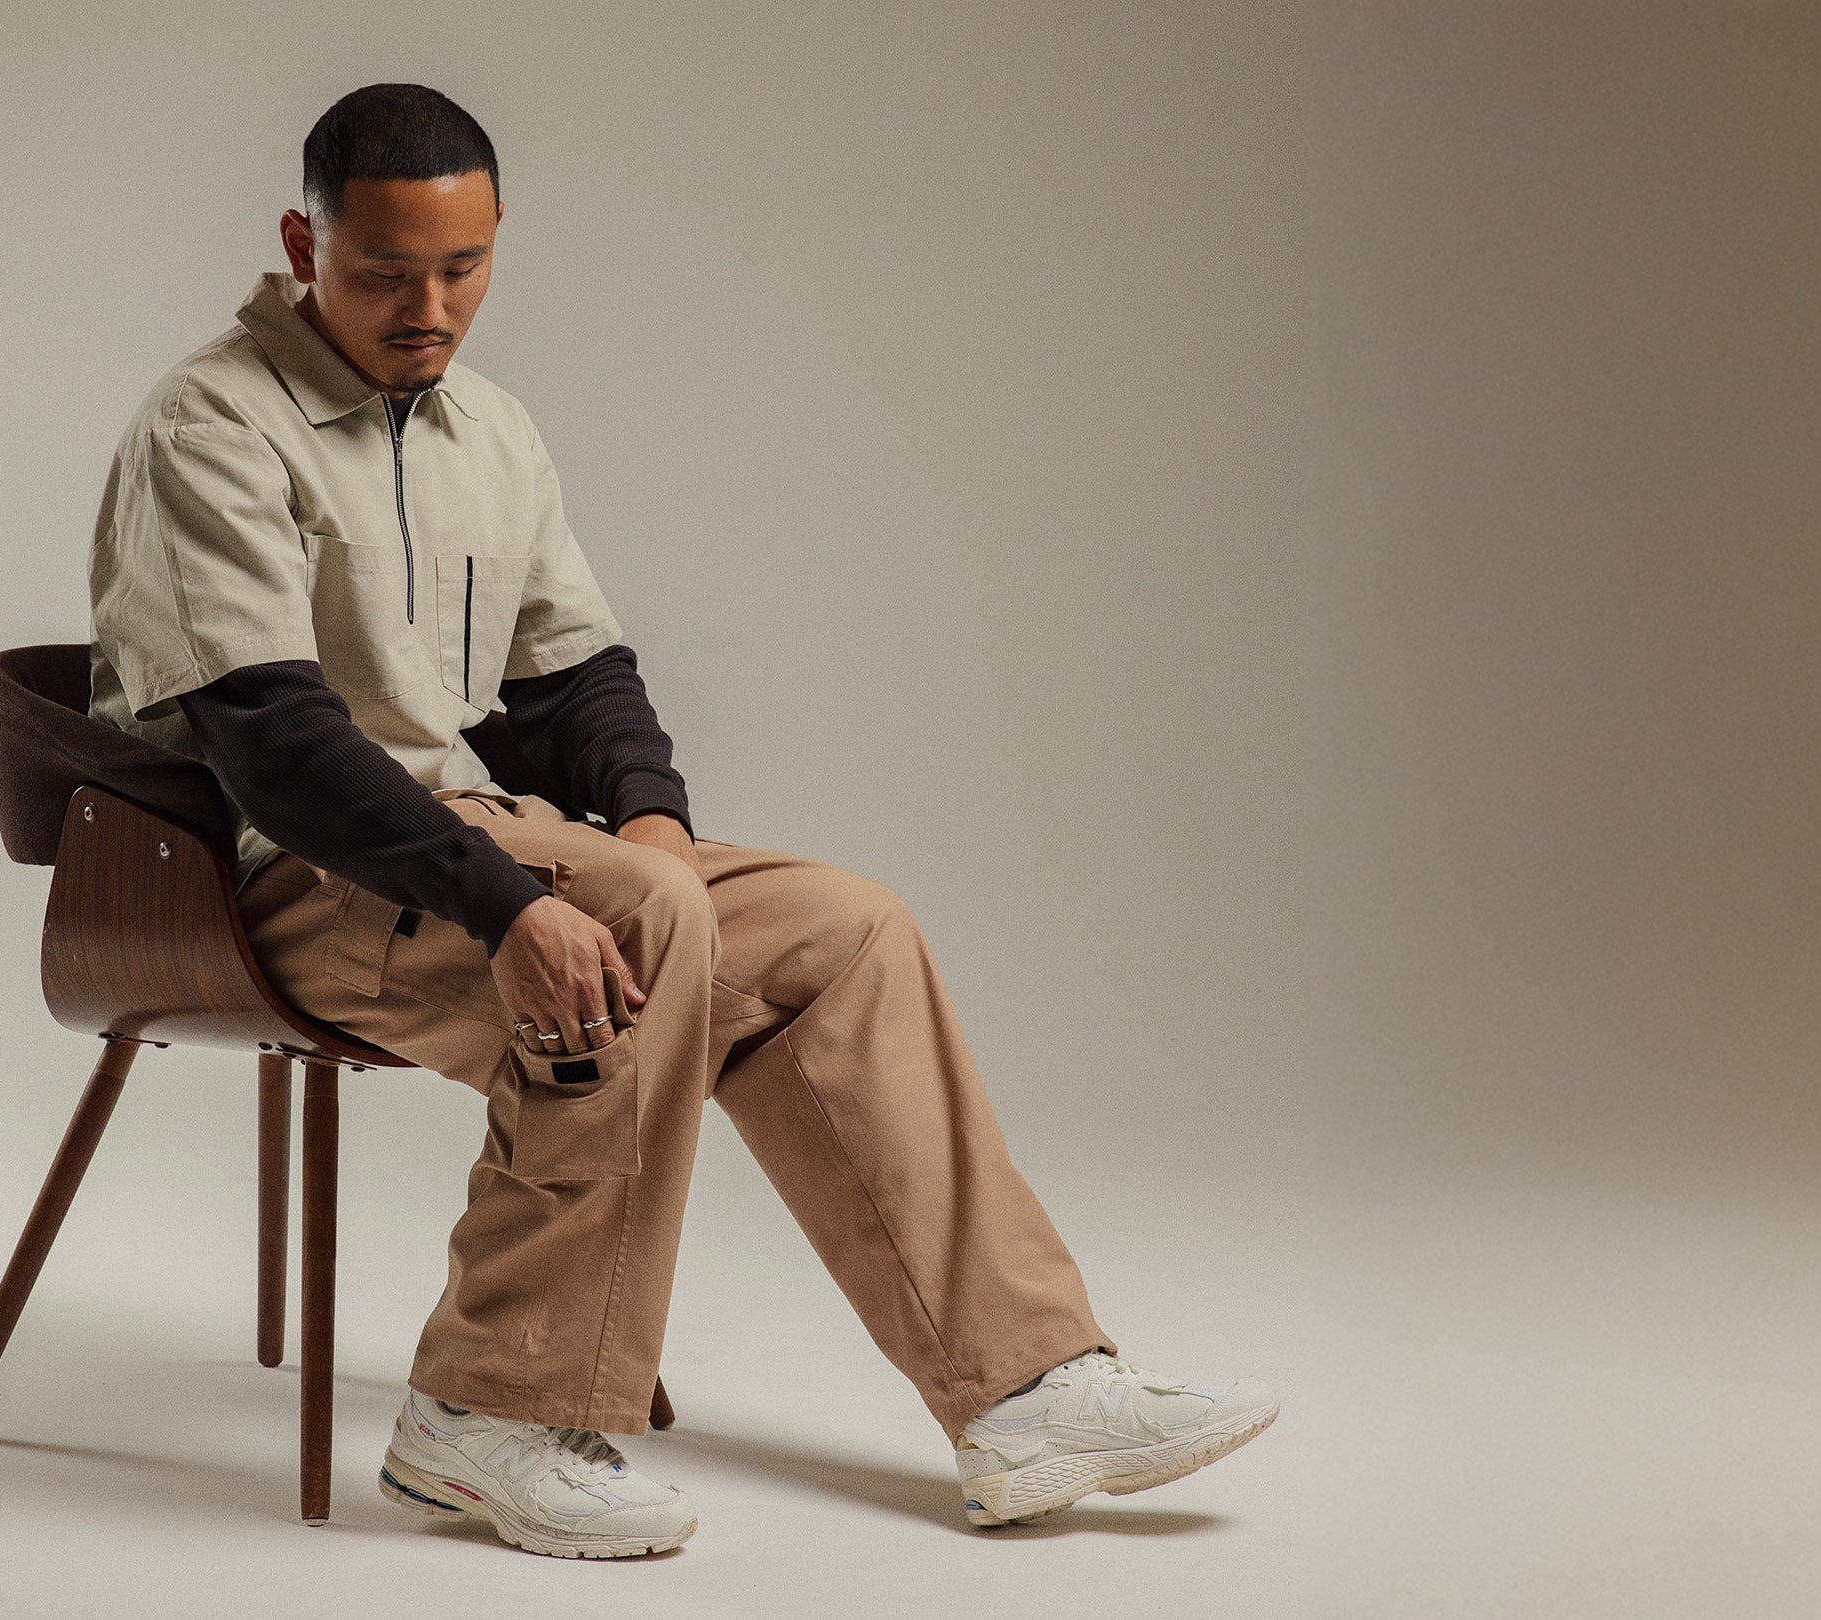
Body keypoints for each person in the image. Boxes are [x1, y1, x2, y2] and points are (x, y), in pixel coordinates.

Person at [85, 82, 1277, 1559]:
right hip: (267, 881)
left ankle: (1019, 1389)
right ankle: (487, 1420)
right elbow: (275, 747)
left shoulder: (490, 431)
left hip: (475, 845)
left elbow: (575, 674)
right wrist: (523, 902)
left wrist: (648, 819)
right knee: (637, 921)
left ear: (498, 237)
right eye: (386, 270)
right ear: (301, 241)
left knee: (842, 926)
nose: (428, 305)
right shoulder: (212, 423)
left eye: (462, 268)